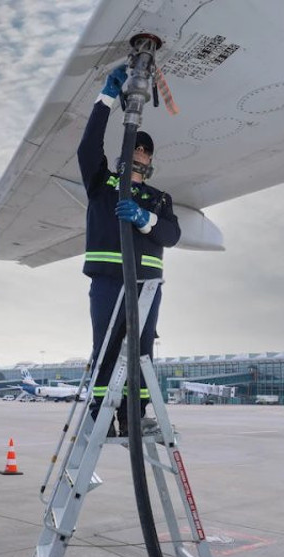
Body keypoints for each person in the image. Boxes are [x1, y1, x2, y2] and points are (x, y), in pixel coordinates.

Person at [78, 64, 181, 434]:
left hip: (146, 288)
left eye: (143, 158)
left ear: (150, 162)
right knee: (105, 350)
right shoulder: (103, 185)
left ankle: (134, 416)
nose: (138, 161)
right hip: (108, 283)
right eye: (133, 156)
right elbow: (88, 147)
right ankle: (101, 417)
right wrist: (106, 98)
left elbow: (171, 235)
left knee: (142, 354)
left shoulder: (159, 199)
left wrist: (144, 219)